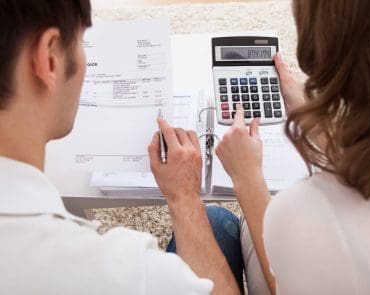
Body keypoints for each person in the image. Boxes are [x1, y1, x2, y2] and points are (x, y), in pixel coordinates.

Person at [0, 1, 244, 294]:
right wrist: (184, 198)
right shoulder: (128, 273)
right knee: (217, 219)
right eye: (81, 43)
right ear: (50, 58)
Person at [214, 0, 370, 294]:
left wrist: (246, 178)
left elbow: (282, 284)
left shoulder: (304, 213)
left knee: (217, 219)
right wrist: (317, 123)